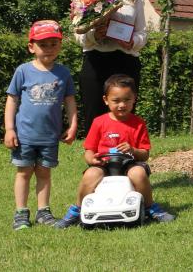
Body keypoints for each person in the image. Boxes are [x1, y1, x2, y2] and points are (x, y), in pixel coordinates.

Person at [55, 74, 174, 228]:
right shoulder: (99, 122)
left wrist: (133, 150)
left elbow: (145, 154)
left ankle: (150, 207)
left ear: (134, 99)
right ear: (106, 100)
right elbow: (89, 150)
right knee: (90, 174)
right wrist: (92, 160)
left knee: (138, 173)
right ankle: (77, 209)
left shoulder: (138, 123)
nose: (121, 105)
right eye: (116, 101)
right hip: (104, 163)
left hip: (130, 162)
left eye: (126, 100)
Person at [4, 20, 79, 230]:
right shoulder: (23, 71)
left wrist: (72, 126)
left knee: (44, 173)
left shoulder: (63, 73)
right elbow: (12, 100)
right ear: (31, 47)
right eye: (43, 44)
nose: (48, 49)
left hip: (50, 137)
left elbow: (70, 101)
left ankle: (43, 212)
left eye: (53, 44)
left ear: (60, 46)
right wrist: (9, 129)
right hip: (24, 136)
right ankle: (21, 213)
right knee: (24, 173)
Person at [75, 0, 149, 132]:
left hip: (126, 63)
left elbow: (143, 33)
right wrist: (95, 36)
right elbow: (78, 35)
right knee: (95, 118)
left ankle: (123, 158)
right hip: (95, 62)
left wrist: (132, 42)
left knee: (124, 118)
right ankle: (97, 159)